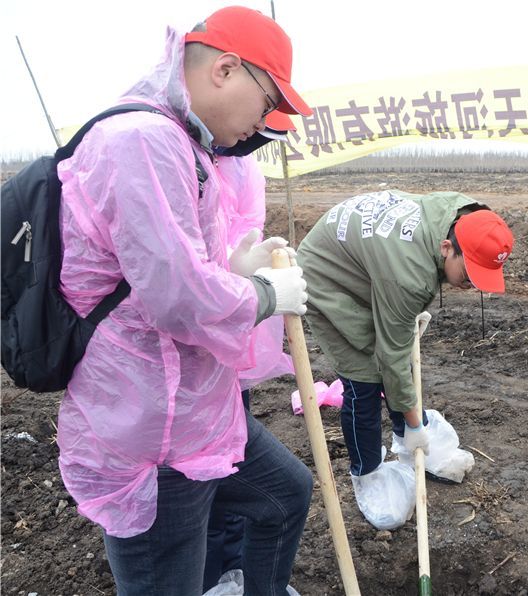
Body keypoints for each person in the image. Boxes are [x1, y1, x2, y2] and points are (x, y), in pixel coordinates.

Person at [55, 7, 314, 594]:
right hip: (153, 428)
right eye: (266, 101)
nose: (262, 124)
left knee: (283, 494)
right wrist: (263, 293)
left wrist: (235, 268)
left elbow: (166, 269)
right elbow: (177, 297)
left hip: (194, 411)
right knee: (167, 579)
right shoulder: (141, 142)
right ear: (226, 69)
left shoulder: (180, 141)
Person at [297, 192, 514, 527]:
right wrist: (416, 424)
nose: (472, 285)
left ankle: (408, 441)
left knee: (397, 360)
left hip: (371, 266)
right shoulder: (409, 274)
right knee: (364, 379)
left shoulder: (464, 213)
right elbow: (392, 360)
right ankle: (368, 474)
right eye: (469, 272)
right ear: (446, 248)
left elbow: (397, 354)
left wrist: (411, 426)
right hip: (328, 276)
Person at [203, 110, 298, 593]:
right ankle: (214, 574)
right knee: (207, 479)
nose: (250, 142)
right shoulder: (184, 158)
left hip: (229, 345)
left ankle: (236, 566)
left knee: (235, 457)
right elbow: (182, 280)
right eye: (254, 130)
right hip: (187, 364)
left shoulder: (241, 167)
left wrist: (257, 264)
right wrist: (241, 278)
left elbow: (242, 233)